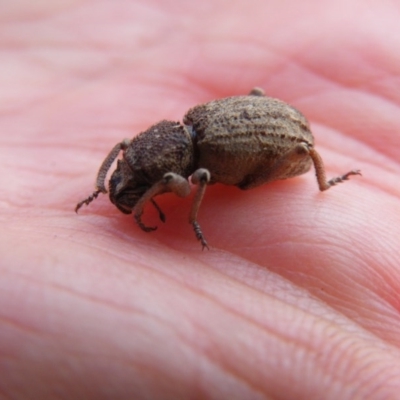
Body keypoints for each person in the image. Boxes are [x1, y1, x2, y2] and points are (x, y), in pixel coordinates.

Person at [1, 1, 400, 398]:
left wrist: (174, 216)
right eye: (132, 172)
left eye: (136, 179)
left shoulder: (195, 166)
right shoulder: (175, 137)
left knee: (285, 154)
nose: (128, 182)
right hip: (254, 122)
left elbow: (179, 179)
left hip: (285, 147)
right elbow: (126, 147)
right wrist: (100, 186)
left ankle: (326, 184)